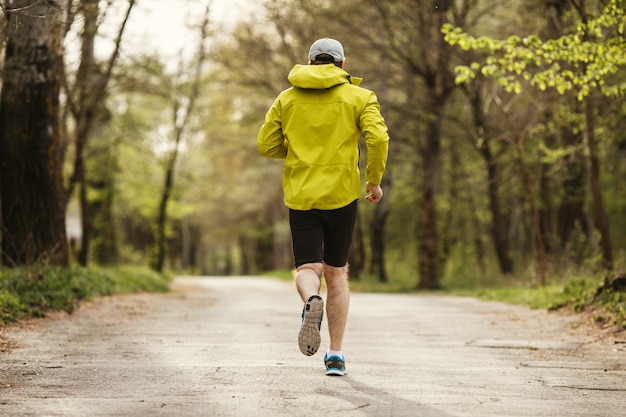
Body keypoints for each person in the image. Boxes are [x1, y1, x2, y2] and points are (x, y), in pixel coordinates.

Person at [257, 37, 389, 376]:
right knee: (336, 273)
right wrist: (373, 180)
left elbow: (266, 144)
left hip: (302, 194)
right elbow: (378, 138)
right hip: (342, 195)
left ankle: (310, 301)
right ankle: (335, 355)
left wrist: (300, 154)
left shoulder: (287, 98)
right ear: (342, 65)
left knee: (307, 268)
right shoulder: (360, 97)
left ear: (310, 63)